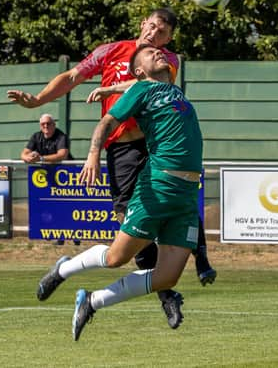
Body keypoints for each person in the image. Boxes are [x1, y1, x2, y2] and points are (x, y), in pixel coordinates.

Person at [8, 8, 216, 329]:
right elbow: (73, 77)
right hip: (121, 150)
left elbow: (147, 84)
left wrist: (110, 89)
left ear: (169, 39)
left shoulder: (165, 62)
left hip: (154, 146)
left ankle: (180, 279)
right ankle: (87, 278)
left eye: (162, 35)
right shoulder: (112, 52)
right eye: (152, 28)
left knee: (178, 196)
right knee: (129, 239)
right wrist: (38, 101)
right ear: (142, 24)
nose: (155, 38)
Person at [38, 44, 203, 341]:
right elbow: (107, 121)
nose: (159, 53)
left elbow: (135, 80)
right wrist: (93, 153)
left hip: (187, 194)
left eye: (159, 52)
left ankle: (92, 301)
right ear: (139, 71)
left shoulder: (173, 89)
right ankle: (65, 269)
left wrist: (110, 86)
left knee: (168, 276)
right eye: (151, 55)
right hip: (159, 186)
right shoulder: (142, 90)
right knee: (117, 258)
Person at [21, 113, 77, 245]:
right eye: (43, 124)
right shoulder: (36, 136)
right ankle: (54, 234)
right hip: (47, 176)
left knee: (68, 206)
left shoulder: (61, 136)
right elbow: (23, 153)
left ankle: (75, 234)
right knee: (50, 205)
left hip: (66, 176)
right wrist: (28, 158)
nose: (46, 126)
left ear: (54, 124)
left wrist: (40, 158)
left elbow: (62, 154)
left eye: (48, 123)